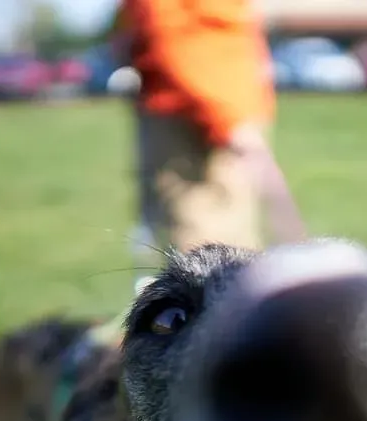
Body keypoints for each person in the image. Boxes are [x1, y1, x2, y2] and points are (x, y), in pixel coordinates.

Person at [112, 0, 305, 295]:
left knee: (237, 251)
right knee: (207, 260)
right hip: (195, 116)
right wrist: (227, 116)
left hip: (223, 111)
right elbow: (174, 35)